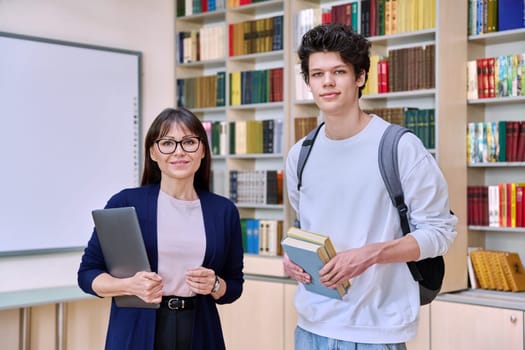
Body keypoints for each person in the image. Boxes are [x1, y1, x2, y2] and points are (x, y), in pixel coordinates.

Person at [283, 23, 457, 349]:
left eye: (339, 71)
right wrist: (292, 259)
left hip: (376, 332)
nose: (328, 82)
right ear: (308, 82)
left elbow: (440, 233)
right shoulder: (300, 155)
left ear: (360, 77)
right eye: (317, 74)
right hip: (310, 328)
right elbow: (304, 225)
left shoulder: (399, 147)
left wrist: (371, 254)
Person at [78, 107, 244, 350]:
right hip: (137, 331)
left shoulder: (224, 211)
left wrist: (215, 284)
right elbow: (87, 274)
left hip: (200, 330)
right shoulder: (125, 203)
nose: (179, 152)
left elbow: (234, 286)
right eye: (167, 143)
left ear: (203, 151)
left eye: (189, 142)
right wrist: (128, 286)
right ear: (153, 153)